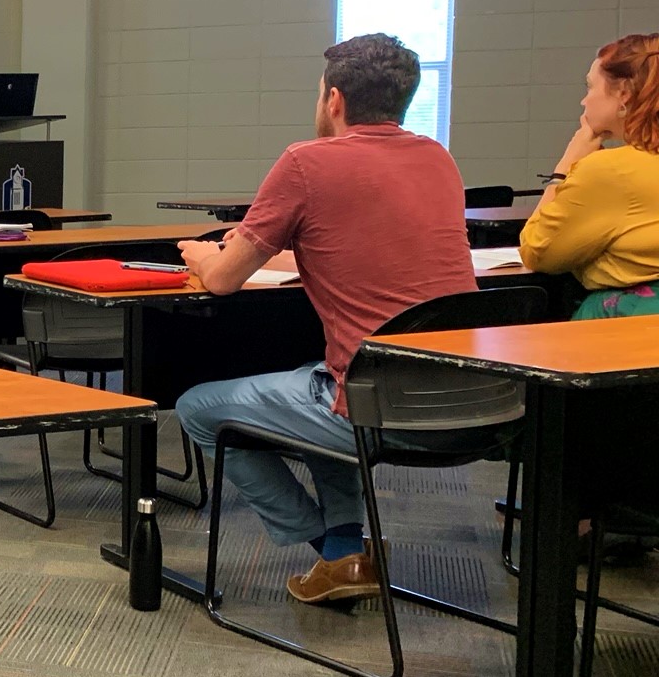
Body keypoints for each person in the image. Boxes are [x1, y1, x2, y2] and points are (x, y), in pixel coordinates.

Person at [173, 34, 477, 606]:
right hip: (471, 399)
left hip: (382, 407)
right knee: (318, 379)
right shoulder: (438, 158)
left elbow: (223, 280)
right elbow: (359, 245)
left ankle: (333, 551)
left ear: (334, 99)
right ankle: (343, 548)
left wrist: (201, 254)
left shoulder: (306, 162)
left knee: (197, 408)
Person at [519, 33, 659, 319]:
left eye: (590, 86)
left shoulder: (610, 170)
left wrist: (566, 166)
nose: (584, 101)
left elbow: (538, 251)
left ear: (624, 94)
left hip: (626, 330)